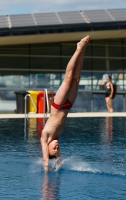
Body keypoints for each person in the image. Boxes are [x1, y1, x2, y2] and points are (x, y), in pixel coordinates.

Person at [40, 35, 90, 171]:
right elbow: (59, 159)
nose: (57, 147)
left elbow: (45, 160)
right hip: (67, 106)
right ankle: (84, 49)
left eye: (54, 148)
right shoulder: (56, 139)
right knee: (76, 79)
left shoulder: (45, 137)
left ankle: (78, 49)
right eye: (57, 149)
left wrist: (46, 175)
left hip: (58, 105)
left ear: (48, 148)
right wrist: (57, 164)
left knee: (68, 78)